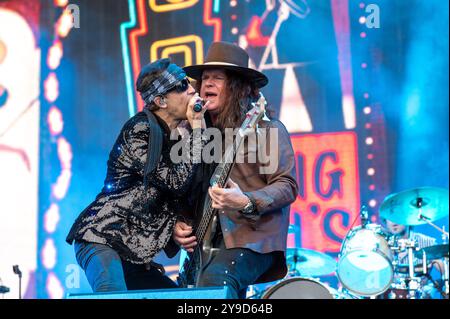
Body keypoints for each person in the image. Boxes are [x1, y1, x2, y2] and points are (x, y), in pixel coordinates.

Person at [66, 58, 208, 292]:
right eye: (182, 86)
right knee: (113, 297)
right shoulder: (140, 129)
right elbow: (175, 182)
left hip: (131, 252)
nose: (192, 89)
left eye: (188, 82)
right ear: (160, 100)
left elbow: (156, 193)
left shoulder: (172, 137)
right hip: (101, 238)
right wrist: (198, 129)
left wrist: (173, 225)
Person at [173, 41, 299, 299]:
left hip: (252, 239)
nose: (207, 84)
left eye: (217, 78)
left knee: (215, 283)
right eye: (204, 78)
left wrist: (246, 200)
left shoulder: (266, 130)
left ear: (237, 87)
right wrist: (178, 223)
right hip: (206, 245)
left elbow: (287, 184)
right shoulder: (193, 134)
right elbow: (182, 187)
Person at [381, 218, 446, 299]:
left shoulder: (427, 242)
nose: (393, 221)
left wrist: (433, 286)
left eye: (398, 216)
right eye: (390, 217)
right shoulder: (380, 246)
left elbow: (446, 273)